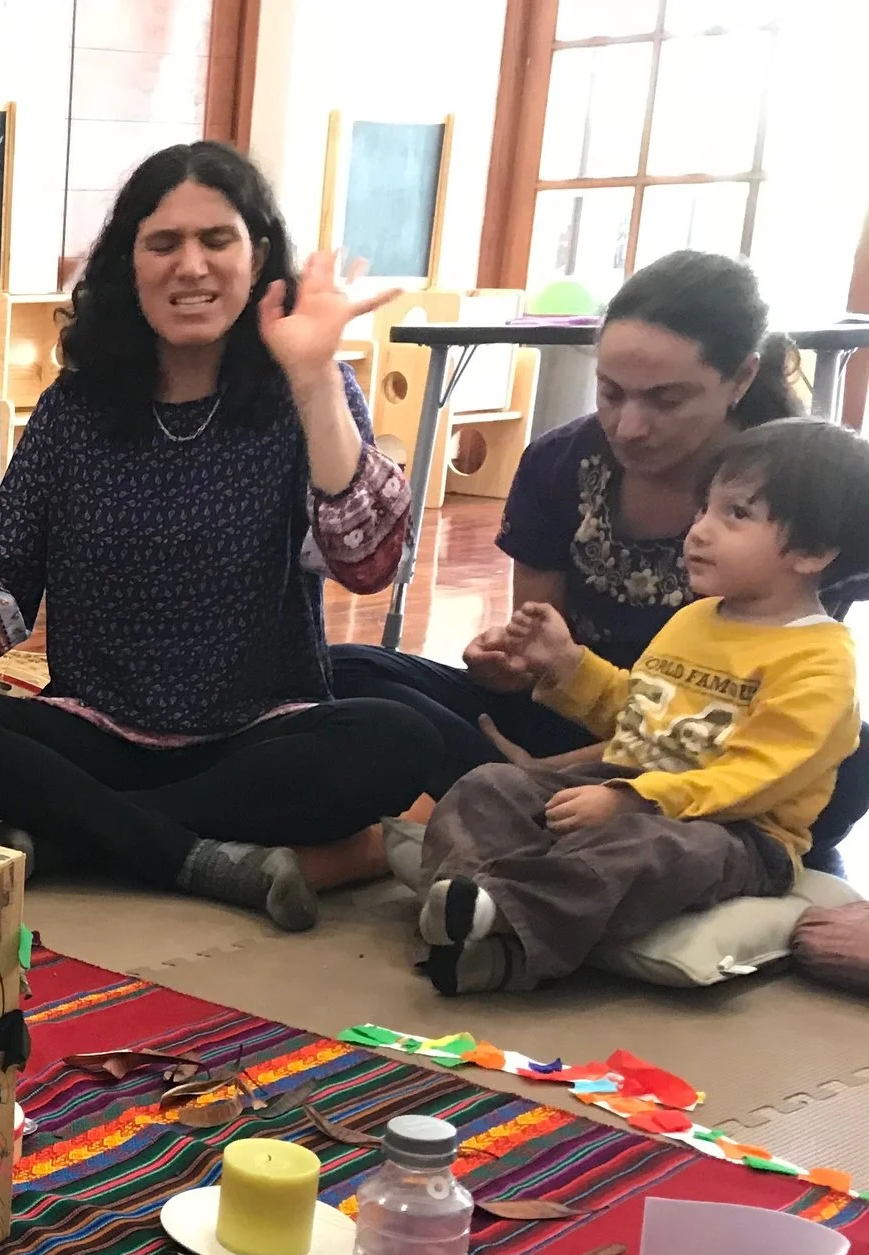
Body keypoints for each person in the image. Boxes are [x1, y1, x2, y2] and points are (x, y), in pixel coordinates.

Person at [0, 142, 437, 930]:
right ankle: (203, 858)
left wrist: (315, 376)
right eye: (164, 243)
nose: (192, 266)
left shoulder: (308, 388)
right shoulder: (76, 408)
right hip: (95, 732)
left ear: (257, 258)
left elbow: (367, 560)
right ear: (129, 262)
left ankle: (79, 837)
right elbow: (1, 561)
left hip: (256, 739)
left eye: (217, 240)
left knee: (398, 739)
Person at [331, 248, 869, 863]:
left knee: (847, 755)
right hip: (587, 709)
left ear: (741, 379)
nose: (629, 426)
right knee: (347, 668)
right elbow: (543, 659)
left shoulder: (809, 502)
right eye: (611, 393)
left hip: (714, 749)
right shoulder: (559, 463)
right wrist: (515, 662)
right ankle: (540, 807)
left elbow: (759, 732)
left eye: (665, 400)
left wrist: (586, 776)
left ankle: (518, 804)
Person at [415, 419, 869, 994]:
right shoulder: (696, 618)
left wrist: (637, 801)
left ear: (811, 551)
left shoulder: (820, 660)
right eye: (703, 508)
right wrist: (567, 663)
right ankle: (471, 910)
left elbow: (756, 780)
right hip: (630, 783)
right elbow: (640, 714)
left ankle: (500, 916)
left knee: (648, 848)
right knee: (491, 786)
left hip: (738, 833)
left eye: (736, 514)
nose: (699, 530)